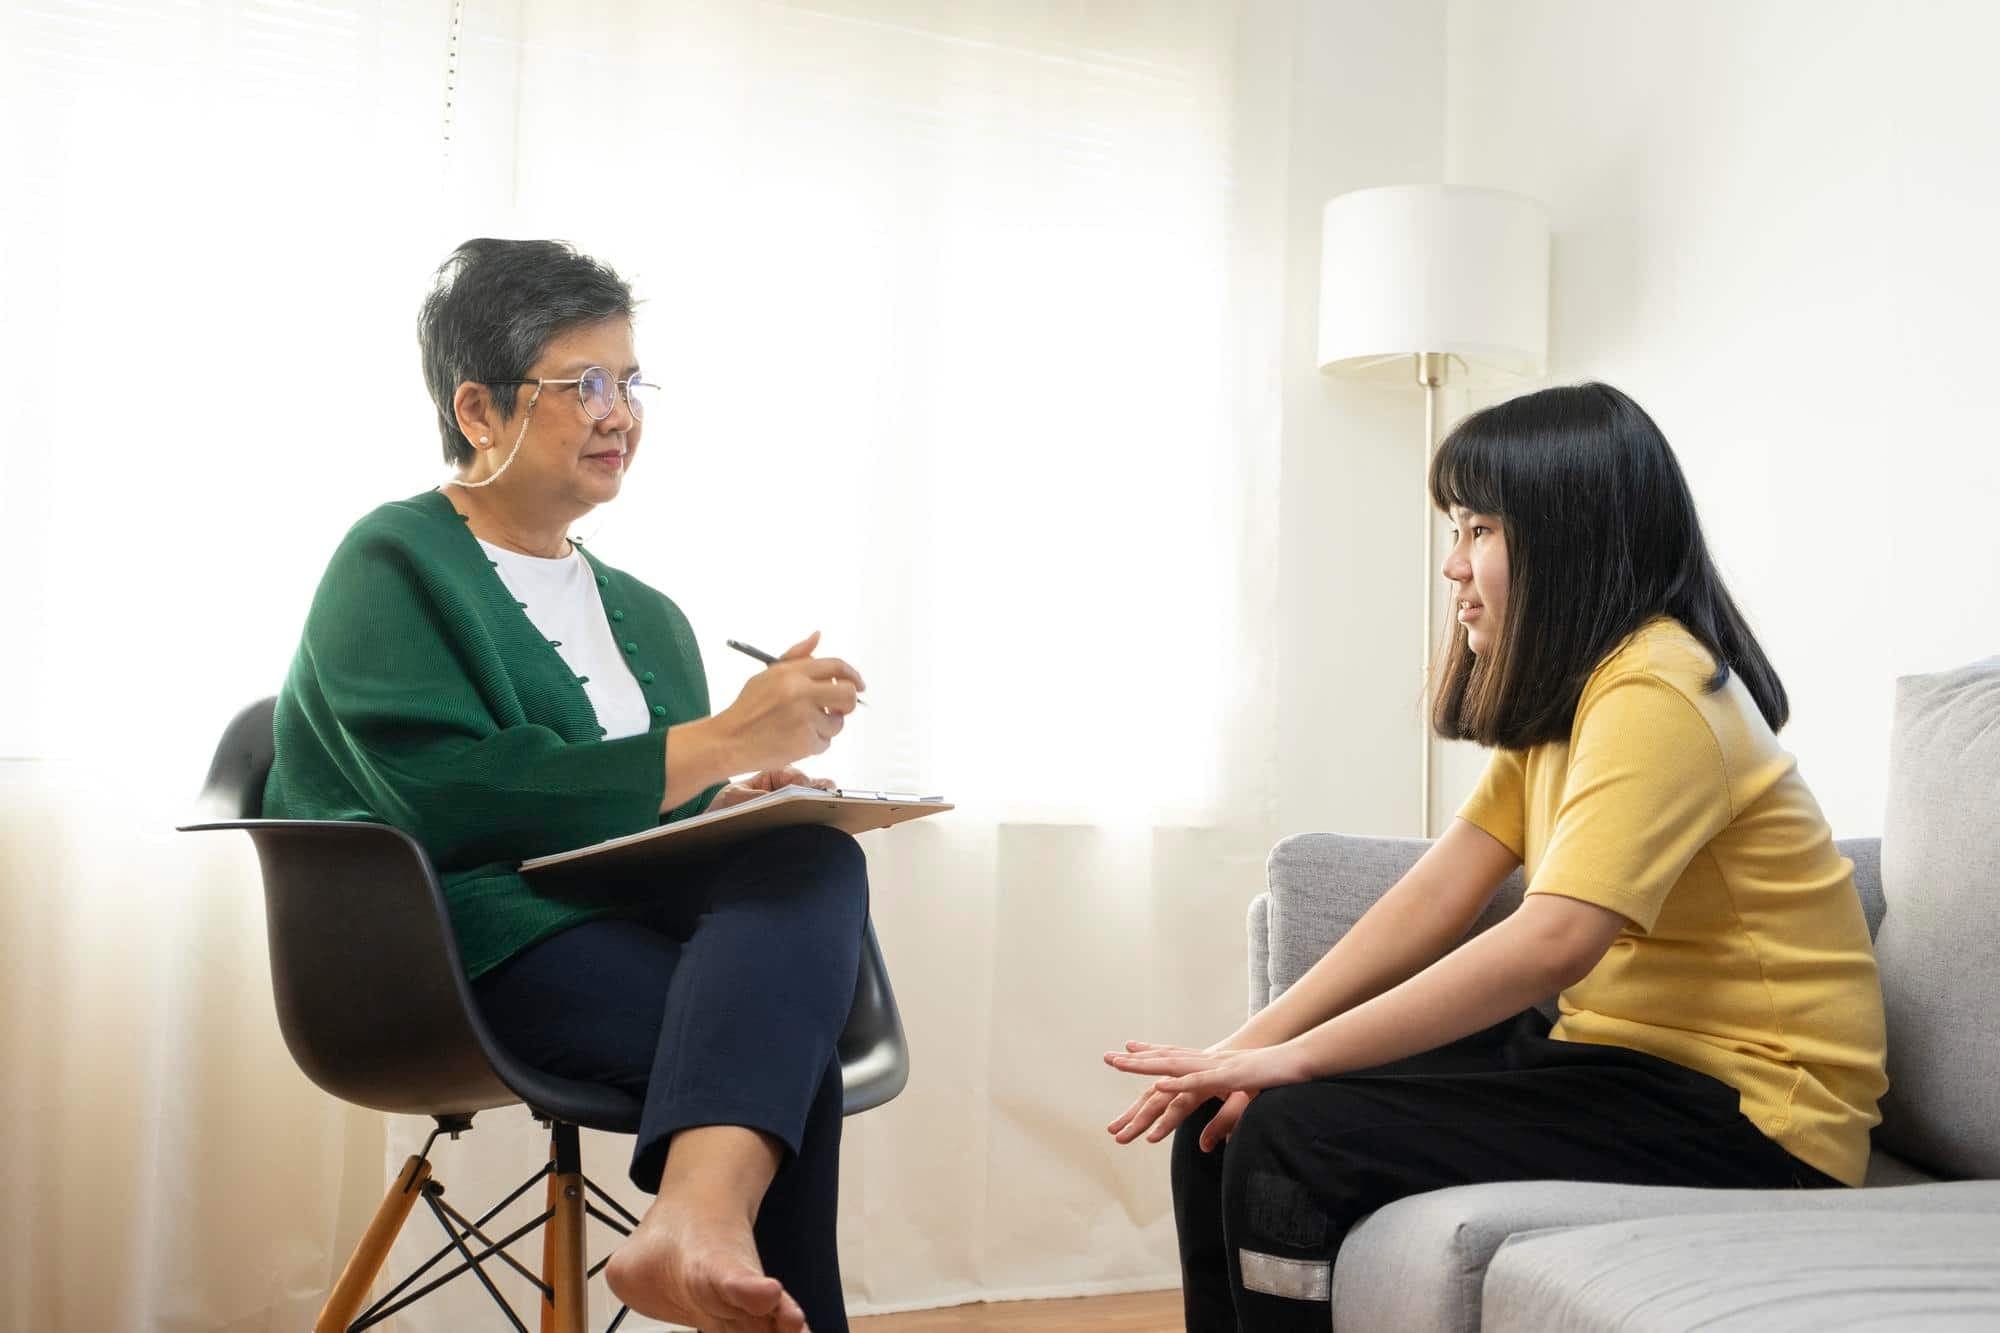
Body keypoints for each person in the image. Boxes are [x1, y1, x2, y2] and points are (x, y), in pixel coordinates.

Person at [1104, 382, 1889, 1331]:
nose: (1452, 566)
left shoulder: (1659, 692)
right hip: (1614, 1066)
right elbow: (1439, 891)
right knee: (1215, 1121)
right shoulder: (1573, 697)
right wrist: (1242, 1049)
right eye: (1454, 529)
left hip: (1755, 1118)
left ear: (1570, 537)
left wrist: (1299, 1064)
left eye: (1478, 529)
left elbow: (1550, 942)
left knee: (1293, 1130)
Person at [264, 238, 868, 1333]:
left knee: (812, 851)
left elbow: (631, 802)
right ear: (480, 411)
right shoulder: (390, 562)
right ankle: (703, 1220)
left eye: (630, 384)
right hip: (459, 947)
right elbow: (452, 800)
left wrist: (727, 797)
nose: (618, 414)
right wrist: (720, 741)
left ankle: (694, 1217)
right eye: (582, 384)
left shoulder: (649, 613)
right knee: (783, 1067)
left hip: (618, 921)